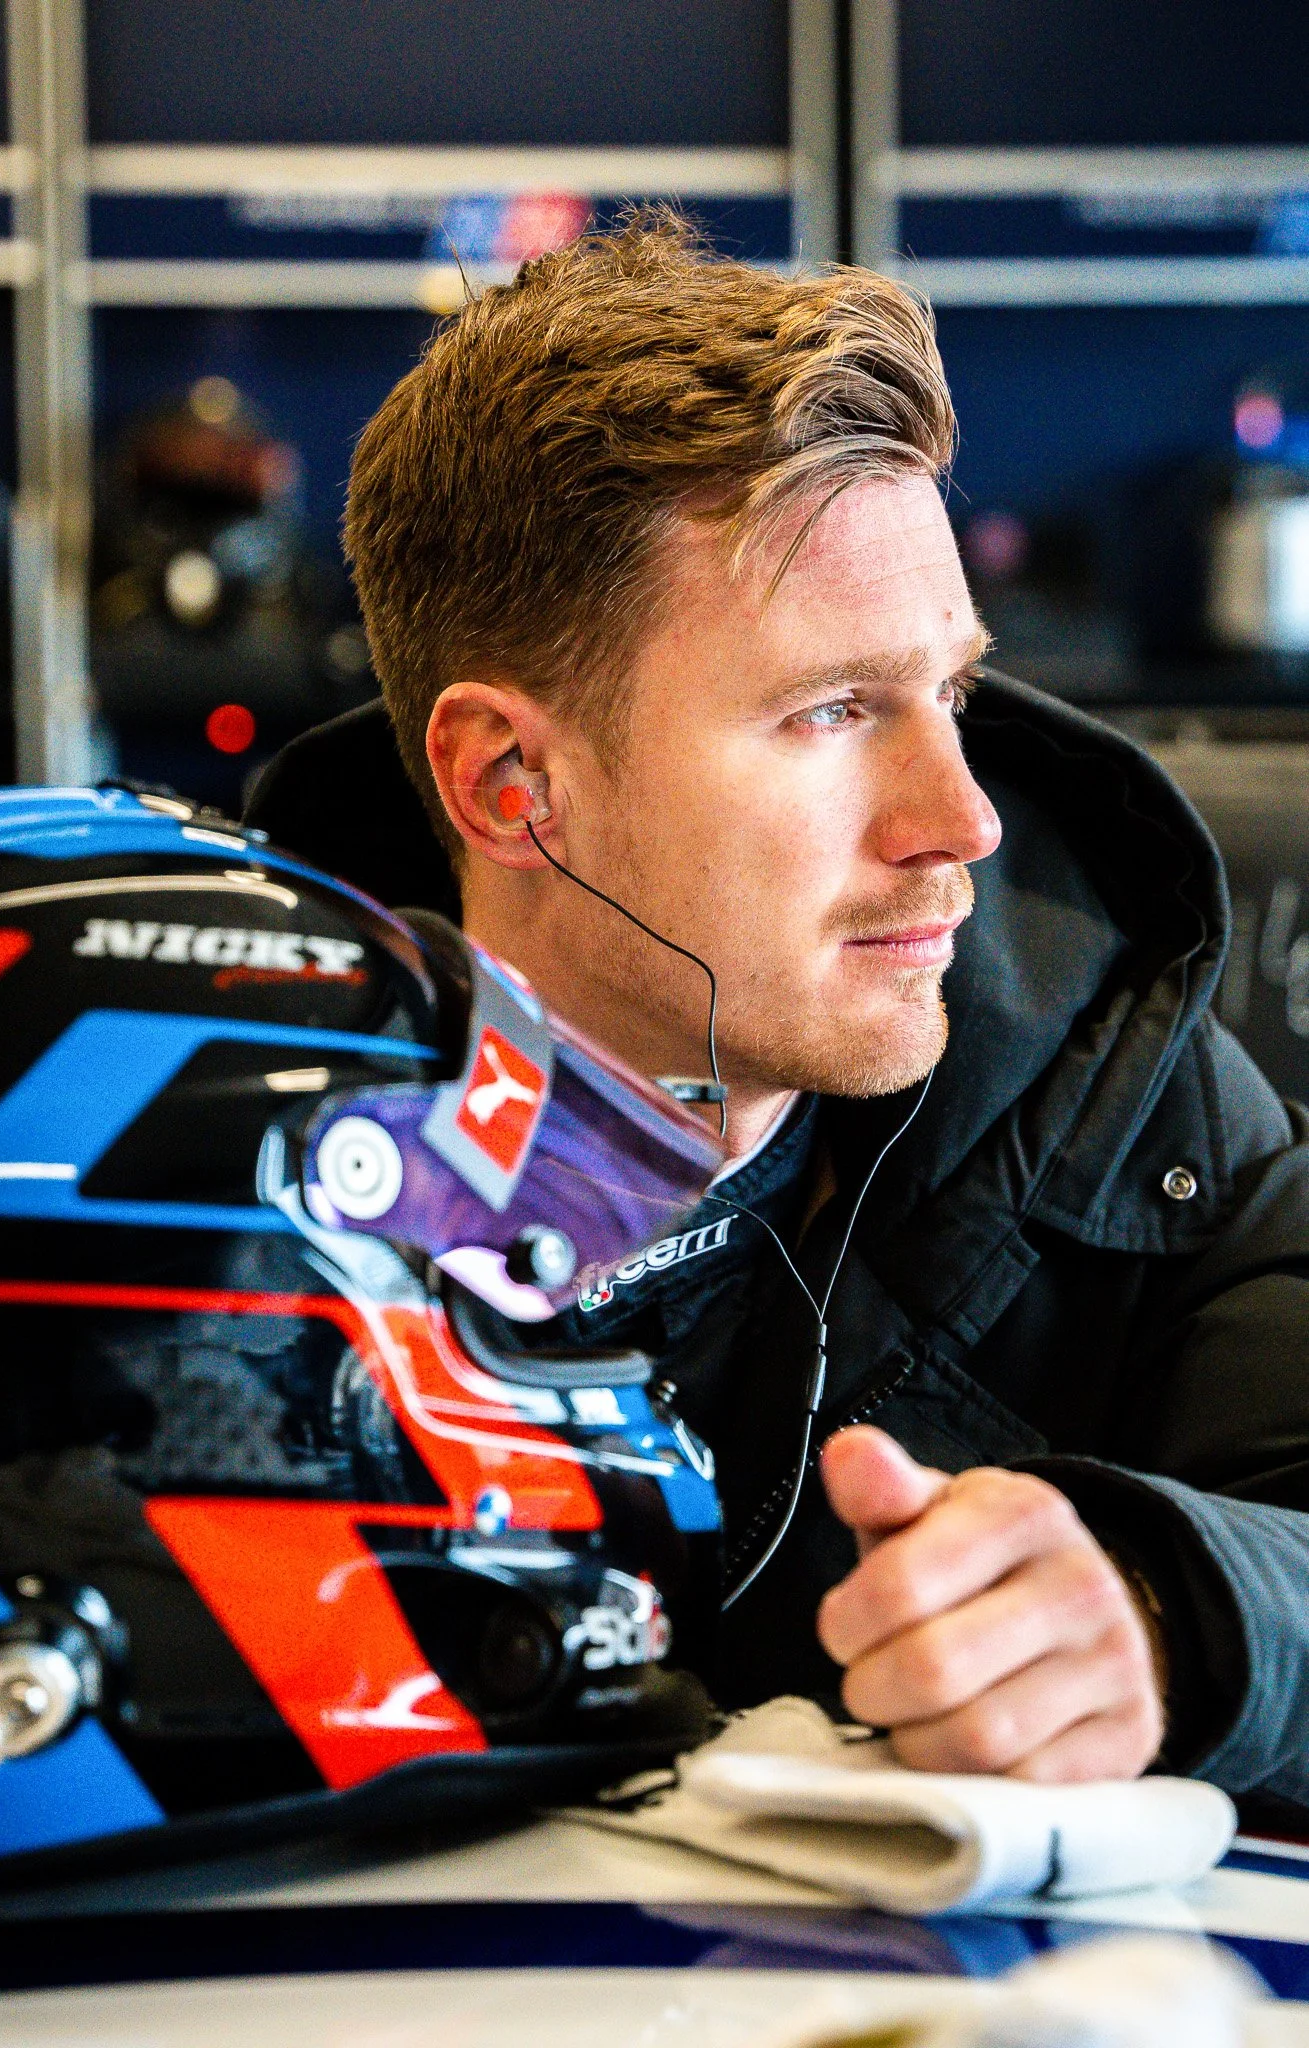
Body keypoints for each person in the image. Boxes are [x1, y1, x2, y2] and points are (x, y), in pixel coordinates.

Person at [250, 211, 1309, 1804]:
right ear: (509, 780)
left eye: (949, 693)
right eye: (831, 712)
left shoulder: (1113, 1077)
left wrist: (1185, 1616)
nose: (965, 822)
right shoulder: (204, 1143)